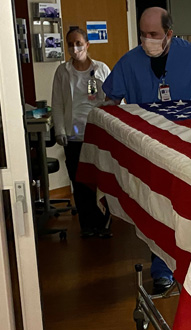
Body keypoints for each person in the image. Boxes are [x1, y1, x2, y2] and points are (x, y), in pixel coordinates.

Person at [103, 7, 191, 294]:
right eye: (143, 35)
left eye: (154, 35)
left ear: (169, 34)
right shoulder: (130, 61)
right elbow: (111, 98)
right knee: (159, 207)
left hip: (189, 143)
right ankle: (162, 270)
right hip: (151, 148)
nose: (147, 40)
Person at [51, 28, 112, 238]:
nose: (74, 48)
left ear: (87, 44)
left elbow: (112, 99)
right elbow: (57, 104)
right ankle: (87, 226)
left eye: (78, 43)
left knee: (99, 181)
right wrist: (59, 130)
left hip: (97, 134)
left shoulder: (101, 69)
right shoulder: (62, 71)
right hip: (73, 135)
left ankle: (103, 224)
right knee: (79, 182)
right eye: (70, 44)